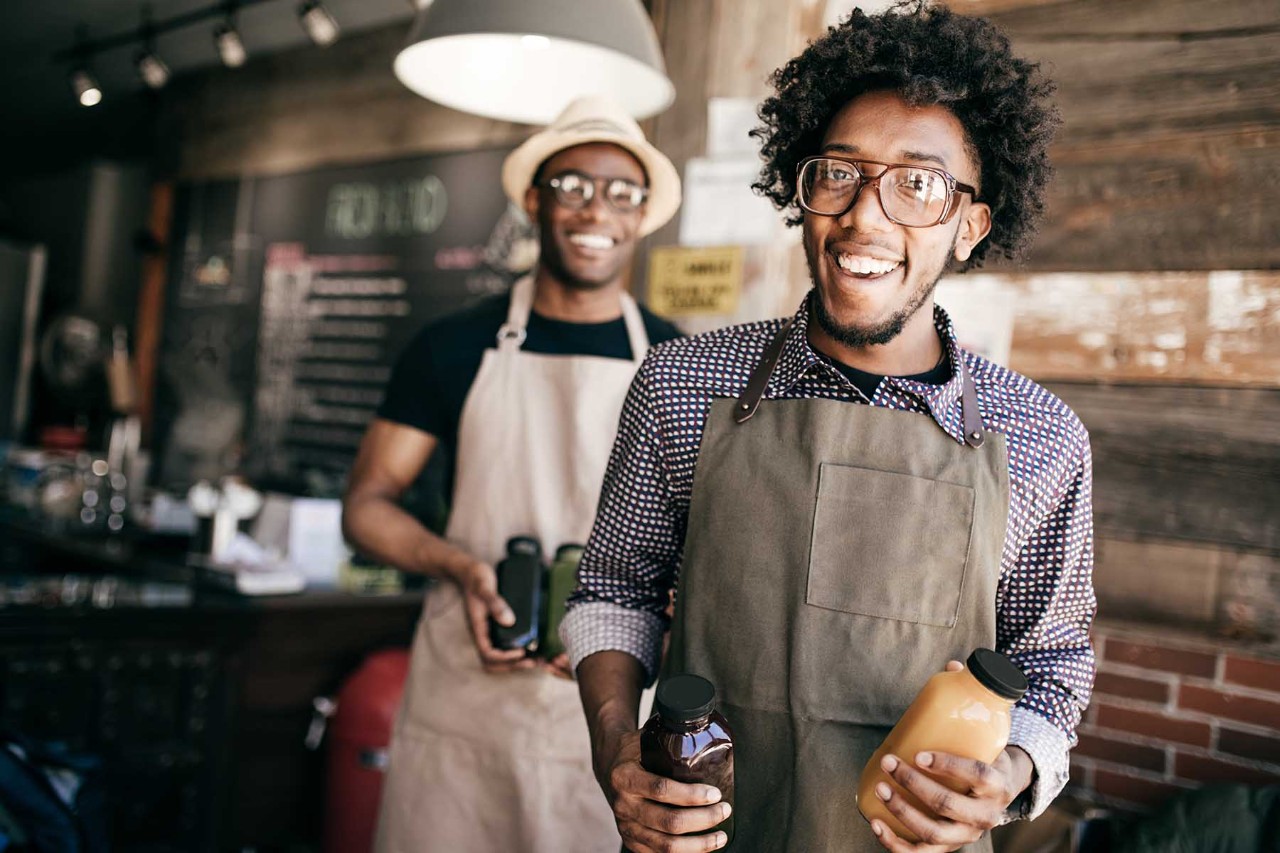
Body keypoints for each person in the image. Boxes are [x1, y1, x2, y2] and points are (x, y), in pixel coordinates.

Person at [563, 5, 1095, 853]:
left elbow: (1053, 660)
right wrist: (614, 750)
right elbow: (613, 592)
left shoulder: (1040, 434)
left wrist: (1014, 774)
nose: (866, 218)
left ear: (971, 226)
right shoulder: (683, 382)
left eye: (918, 185)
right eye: (840, 172)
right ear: (801, 189)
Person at [342, 95, 684, 853]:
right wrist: (457, 566)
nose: (596, 209)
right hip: (466, 701)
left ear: (640, 215)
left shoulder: (675, 362)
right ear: (534, 201)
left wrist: (659, 611)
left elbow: (705, 540)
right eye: (573, 186)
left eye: (621, 192)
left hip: (610, 707)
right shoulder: (452, 345)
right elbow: (366, 506)